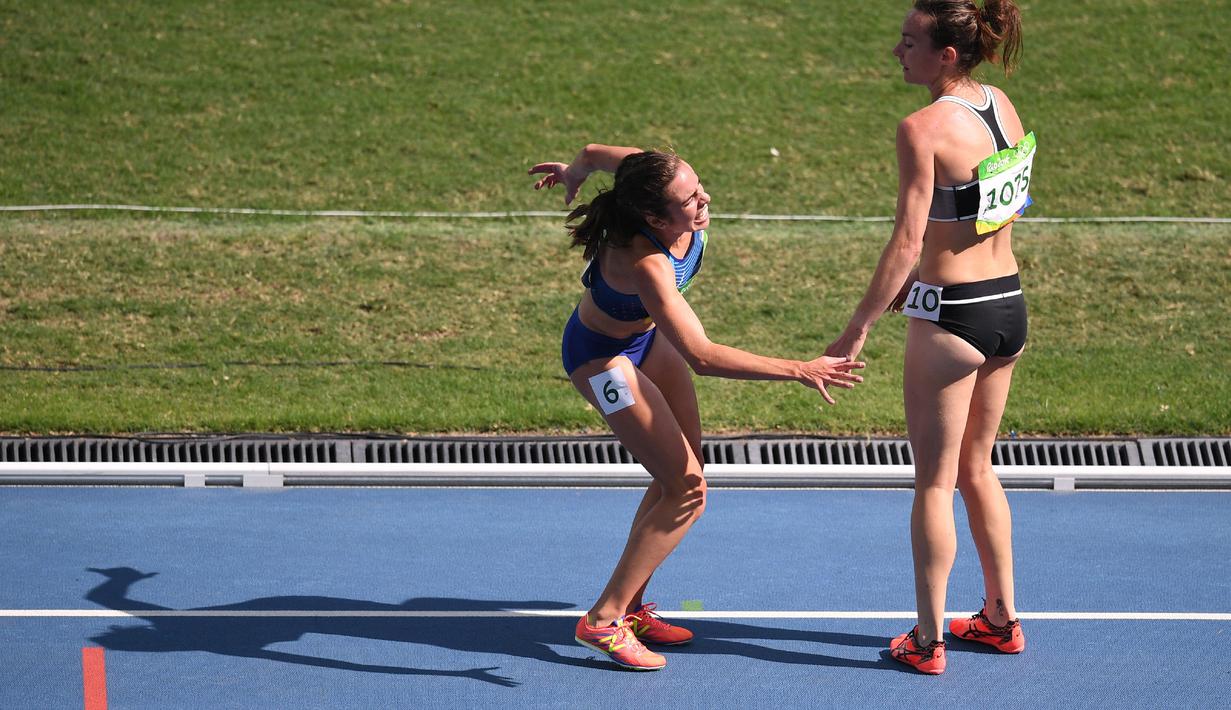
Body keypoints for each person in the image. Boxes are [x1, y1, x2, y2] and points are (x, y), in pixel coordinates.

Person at [529, 144, 865, 671]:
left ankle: (630, 607)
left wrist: (576, 169)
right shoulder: (646, 263)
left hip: (646, 339)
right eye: (689, 199)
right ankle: (603, 620)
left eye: (698, 184)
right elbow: (703, 357)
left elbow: (596, 152)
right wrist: (802, 369)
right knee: (688, 491)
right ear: (654, 217)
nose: (704, 197)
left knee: (683, 473)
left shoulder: (652, 177)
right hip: (601, 359)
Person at [825, 0, 1032, 675]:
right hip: (1007, 305)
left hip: (953, 317)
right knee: (978, 468)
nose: (896, 52)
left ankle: (926, 639)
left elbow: (908, 237)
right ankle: (1000, 619)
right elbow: (996, 207)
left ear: (946, 54)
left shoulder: (920, 128)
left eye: (908, 42)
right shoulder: (1001, 106)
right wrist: (926, 271)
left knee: (935, 485)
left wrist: (856, 328)